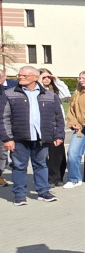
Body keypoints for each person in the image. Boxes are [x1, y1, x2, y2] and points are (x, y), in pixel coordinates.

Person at [1, 66, 63, 205]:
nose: (20, 77)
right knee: (18, 166)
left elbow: (58, 118)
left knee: (41, 164)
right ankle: (19, 194)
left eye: (24, 76)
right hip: (18, 138)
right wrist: (7, 138)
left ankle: (43, 191)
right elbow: (3, 118)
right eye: (19, 75)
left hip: (41, 138)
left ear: (35, 77)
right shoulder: (9, 94)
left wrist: (58, 135)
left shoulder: (49, 95)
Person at [38, 68, 69, 187]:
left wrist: (56, 80)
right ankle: (49, 177)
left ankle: (58, 177)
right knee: (45, 154)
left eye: (48, 77)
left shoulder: (54, 91)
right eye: (43, 77)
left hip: (56, 125)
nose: (46, 79)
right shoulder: (36, 90)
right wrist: (39, 80)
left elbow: (66, 94)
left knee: (58, 152)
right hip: (43, 125)